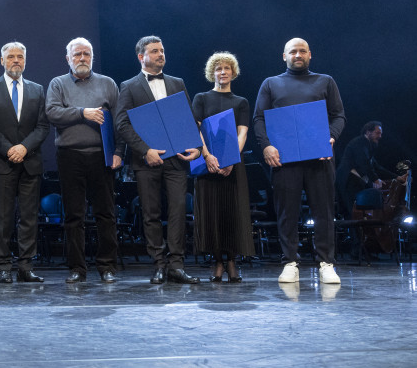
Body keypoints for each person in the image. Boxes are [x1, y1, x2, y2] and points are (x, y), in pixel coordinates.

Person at [252, 37, 346, 285]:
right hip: (285, 159)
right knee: (287, 212)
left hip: (320, 157)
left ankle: (327, 263)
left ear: (310, 55)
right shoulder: (271, 83)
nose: (297, 55)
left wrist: (331, 138)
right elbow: (259, 119)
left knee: (324, 211)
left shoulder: (325, 81)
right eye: (292, 51)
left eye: (302, 51)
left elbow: (339, 116)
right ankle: (289, 262)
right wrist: (267, 146)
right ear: (284, 56)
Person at [115, 35, 201, 285]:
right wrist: (145, 150)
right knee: (150, 213)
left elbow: (188, 118)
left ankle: (176, 265)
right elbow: (122, 123)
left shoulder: (177, 82)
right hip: (146, 160)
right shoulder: (129, 86)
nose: (161, 54)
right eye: (154, 51)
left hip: (177, 159)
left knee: (177, 211)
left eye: (162, 50)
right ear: (141, 57)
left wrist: (195, 146)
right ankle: (159, 264)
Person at [46, 38, 125, 284]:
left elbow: (119, 121)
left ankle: (107, 267)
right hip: (70, 156)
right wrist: (83, 113)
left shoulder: (107, 84)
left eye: (87, 54)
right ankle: (77, 268)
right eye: (77, 54)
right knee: (73, 215)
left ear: (92, 57)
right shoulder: (58, 83)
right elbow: (52, 113)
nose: (82, 58)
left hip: (101, 155)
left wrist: (119, 152)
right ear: (68, 58)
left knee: (106, 214)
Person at [0, 41, 50, 284]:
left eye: (20, 56)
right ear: (2, 61)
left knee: (29, 217)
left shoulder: (38, 89)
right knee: (3, 217)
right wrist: (10, 149)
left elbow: (43, 126)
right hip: (3, 162)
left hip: (30, 162)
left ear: (25, 60)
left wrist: (24, 147)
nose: (16, 60)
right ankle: (3, 266)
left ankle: (26, 267)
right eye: (11, 56)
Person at [191, 52, 254, 283]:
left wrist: (230, 159)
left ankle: (231, 261)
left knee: (232, 213)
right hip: (207, 164)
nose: (223, 72)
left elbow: (243, 132)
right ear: (212, 73)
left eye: (227, 68)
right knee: (212, 214)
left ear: (233, 72)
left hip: (232, 166)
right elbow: (196, 130)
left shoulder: (241, 102)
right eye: (218, 69)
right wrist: (207, 156)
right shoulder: (201, 98)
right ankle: (217, 261)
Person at [335, 122, 398, 215]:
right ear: (368, 132)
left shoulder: (367, 145)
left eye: (381, 133)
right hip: (348, 180)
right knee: (352, 212)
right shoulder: (359, 143)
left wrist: (397, 177)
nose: (380, 136)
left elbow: (377, 167)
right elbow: (363, 163)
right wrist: (375, 179)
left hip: (355, 180)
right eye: (377, 133)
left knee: (356, 212)